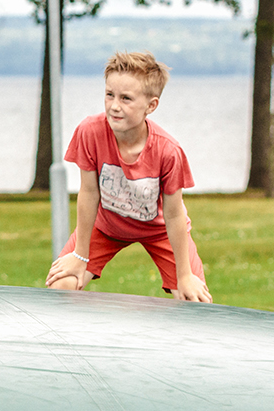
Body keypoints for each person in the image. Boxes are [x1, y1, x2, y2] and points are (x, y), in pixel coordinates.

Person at [45, 52, 214, 302]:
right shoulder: (89, 132)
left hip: (159, 231)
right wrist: (80, 256)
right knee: (62, 285)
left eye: (126, 99)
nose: (114, 106)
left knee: (195, 301)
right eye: (109, 94)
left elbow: (174, 214)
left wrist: (185, 275)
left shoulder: (168, 151)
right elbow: (89, 193)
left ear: (151, 105)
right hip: (106, 227)